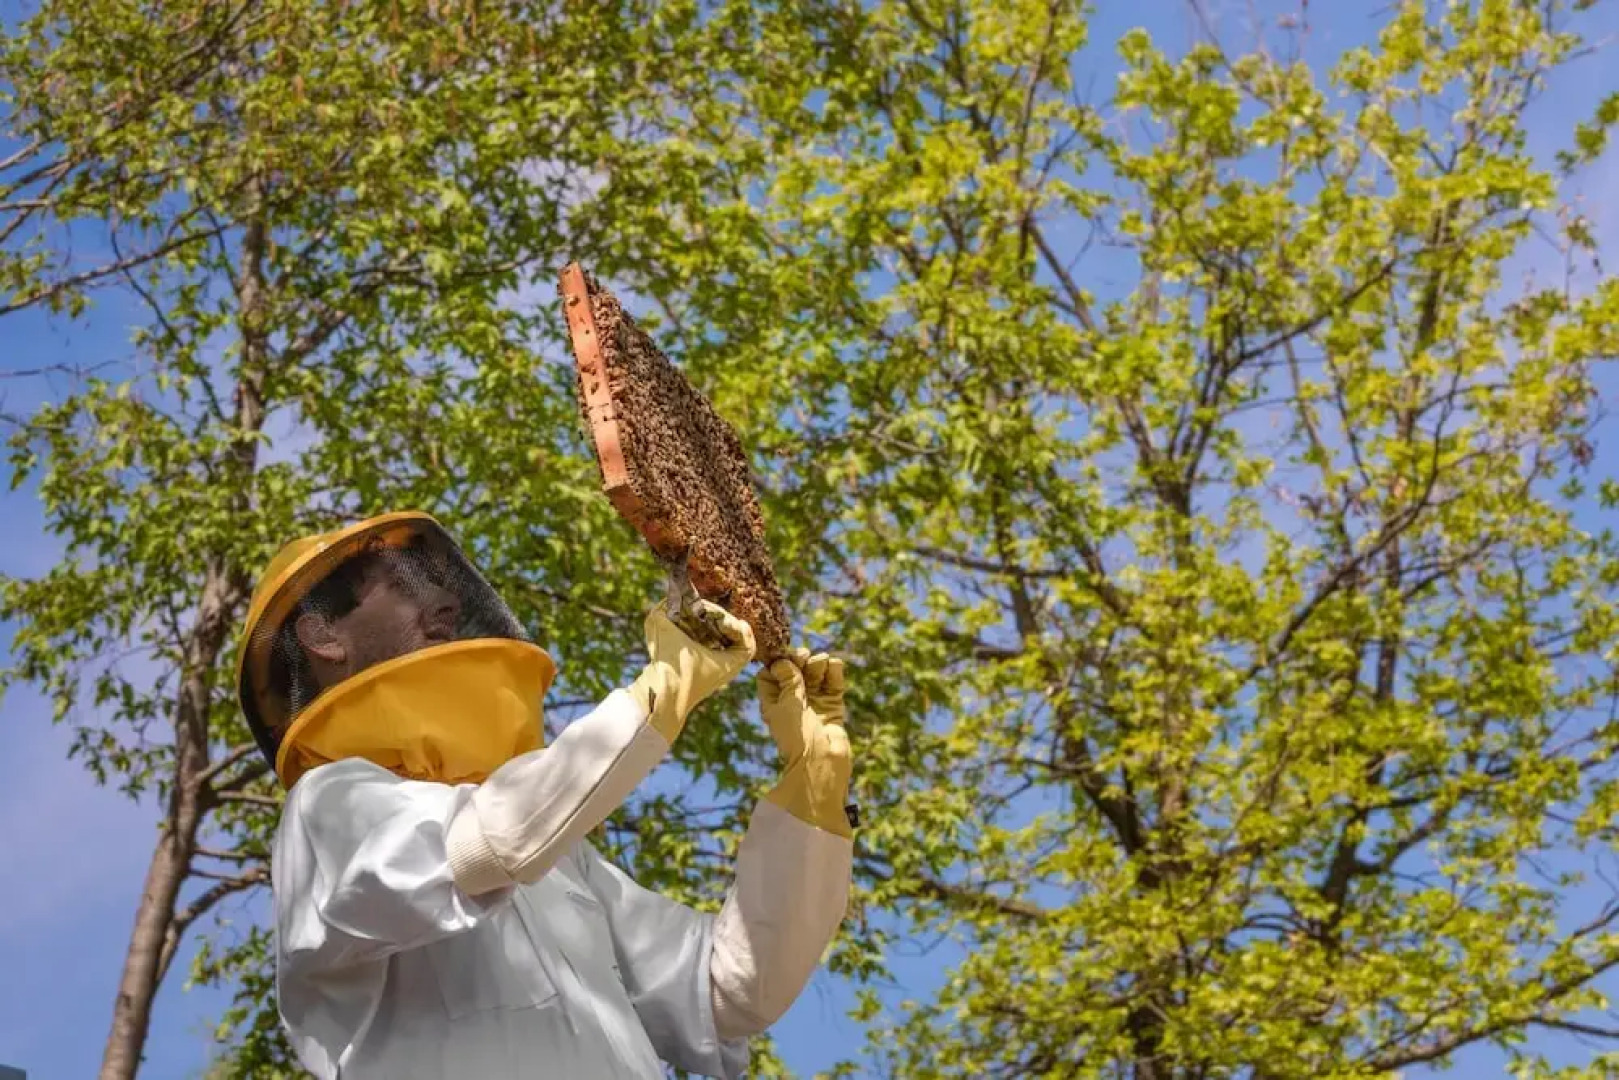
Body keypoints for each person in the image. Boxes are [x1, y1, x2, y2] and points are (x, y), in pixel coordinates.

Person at [235, 512, 855, 1079]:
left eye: (441, 586)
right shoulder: (329, 806)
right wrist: (658, 696)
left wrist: (813, 792)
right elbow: (486, 844)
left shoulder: (562, 864)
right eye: (401, 586)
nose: (447, 605)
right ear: (322, 635)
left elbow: (727, 990)